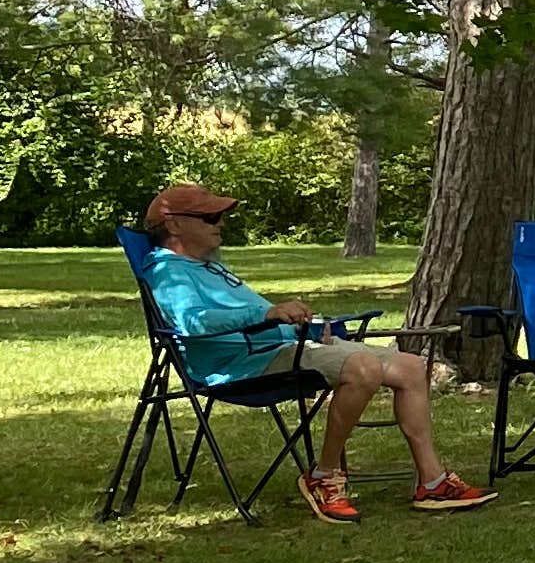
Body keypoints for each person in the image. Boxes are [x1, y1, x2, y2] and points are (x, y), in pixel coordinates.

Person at [139, 183, 492, 518]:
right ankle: (324, 476)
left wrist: (309, 324)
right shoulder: (168, 272)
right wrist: (265, 313)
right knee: (362, 367)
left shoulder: (208, 266)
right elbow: (192, 323)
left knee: (413, 367)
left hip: (282, 344)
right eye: (210, 217)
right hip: (243, 365)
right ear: (174, 225)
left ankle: (432, 483)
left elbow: (255, 318)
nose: (221, 223)